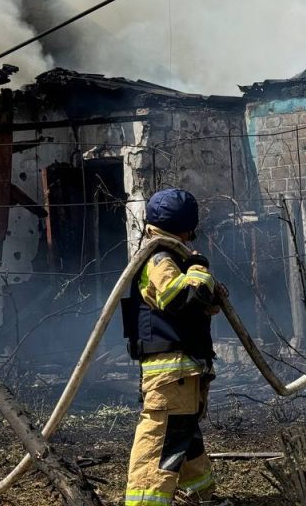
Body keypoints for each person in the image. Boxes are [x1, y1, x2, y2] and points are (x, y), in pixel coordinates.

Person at [121, 188, 230, 506]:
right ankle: (143, 503)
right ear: (186, 226)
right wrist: (198, 270)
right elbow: (177, 297)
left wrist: (209, 288)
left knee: (185, 437)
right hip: (171, 375)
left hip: (183, 372)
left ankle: (200, 495)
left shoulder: (172, 256)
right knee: (163, 441)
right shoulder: (160, 257)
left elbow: (195, 303)